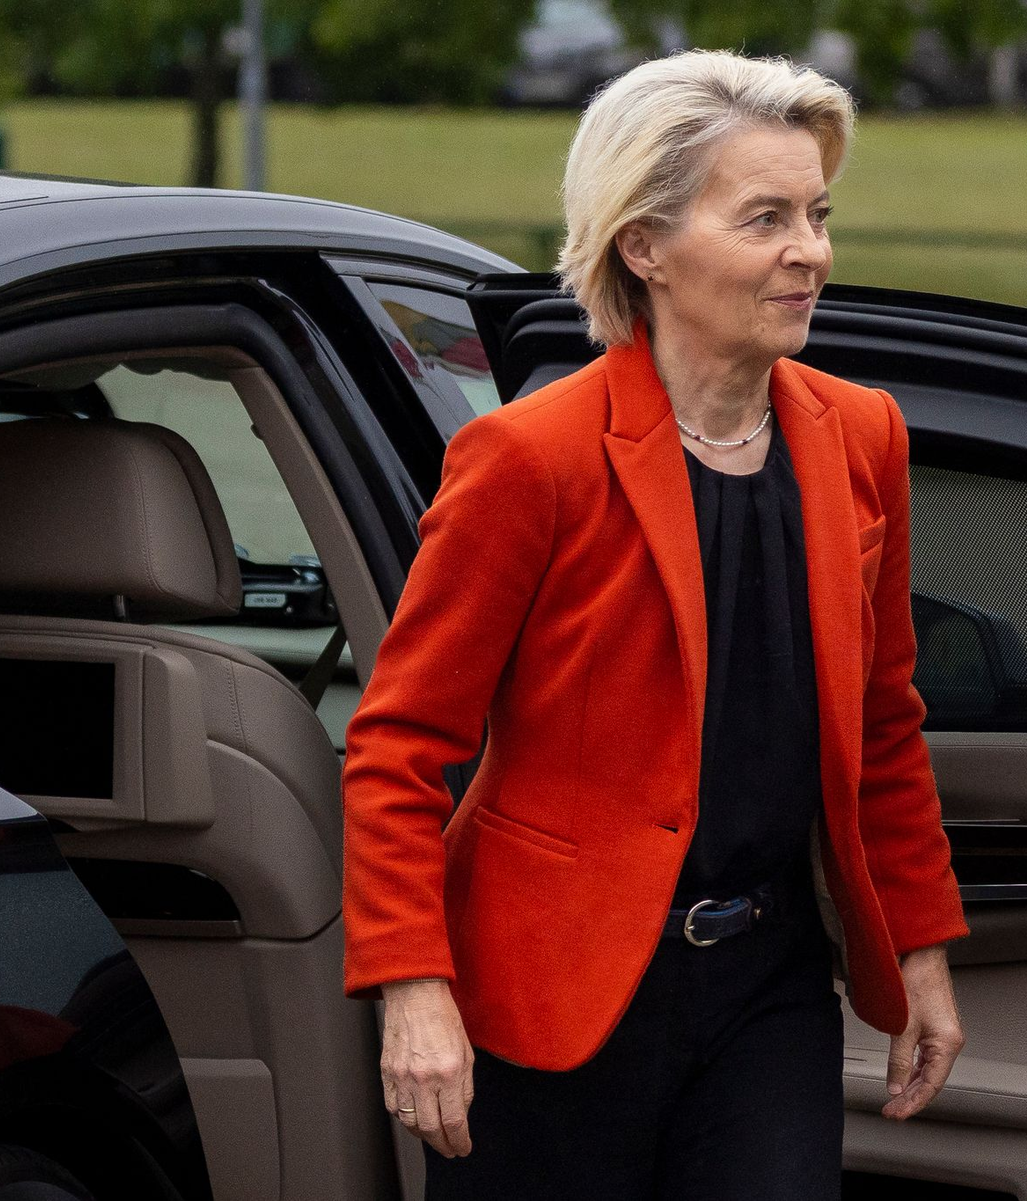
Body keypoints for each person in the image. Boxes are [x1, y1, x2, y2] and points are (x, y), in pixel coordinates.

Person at [340, 48, 970, 1200]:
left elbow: (884, 720)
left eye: (820, 215)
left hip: (770, 988)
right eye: (767, 217)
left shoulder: (862, 434)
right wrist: (412, 983)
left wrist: (919, 948)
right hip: (554, 991)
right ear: (645, 246)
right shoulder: (530, 458)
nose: (812, 252)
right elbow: (399, 744)